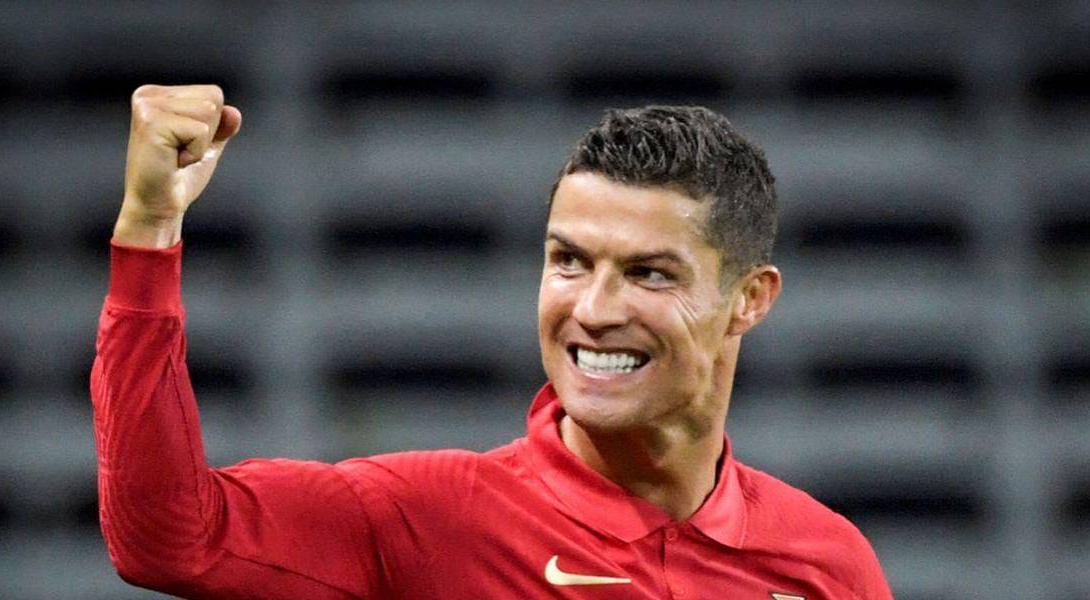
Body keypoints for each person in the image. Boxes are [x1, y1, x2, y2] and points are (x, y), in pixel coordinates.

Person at [92, 83, 893, 599]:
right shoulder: (423, 519)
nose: (593, 309)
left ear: (749, 300)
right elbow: (167, 538)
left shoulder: (826, 564)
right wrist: (149, 229)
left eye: (649, 274)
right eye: (568, 262)